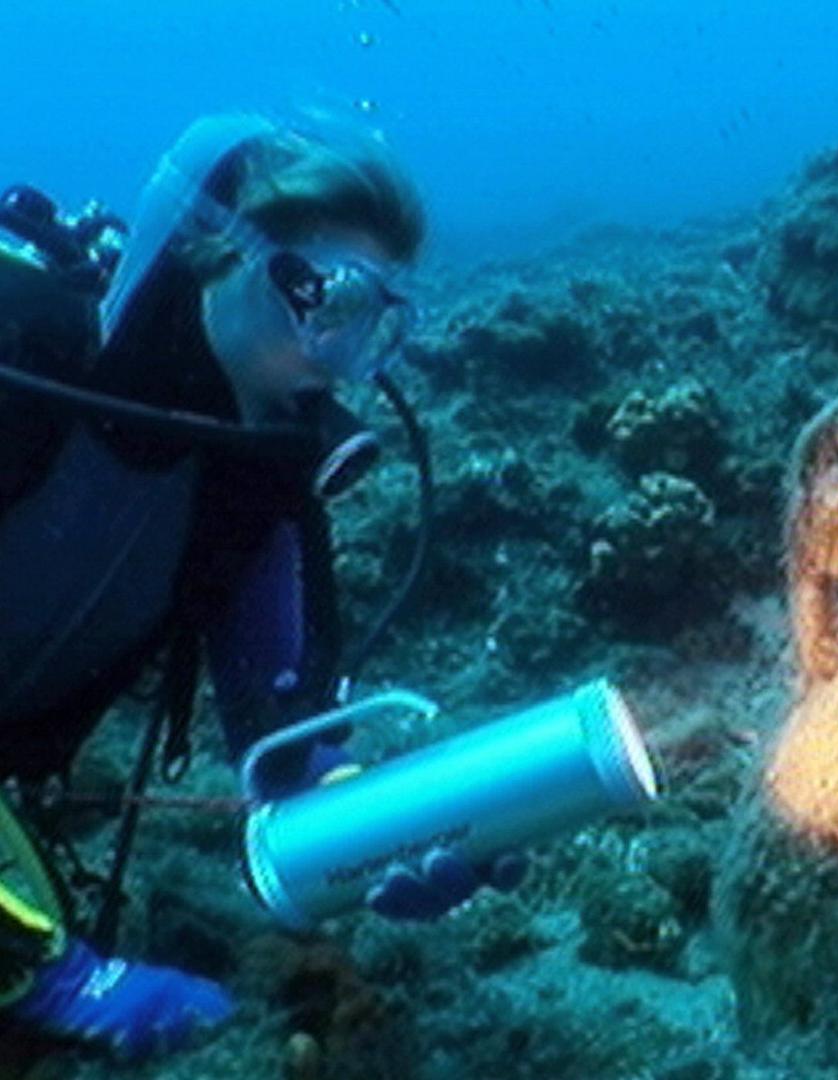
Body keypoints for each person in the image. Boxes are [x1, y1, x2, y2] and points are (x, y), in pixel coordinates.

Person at [0, 114, 519, 1061]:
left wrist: (380, 833)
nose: (341, 354)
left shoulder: (257, 497)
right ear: (215, 251)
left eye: (377, 323)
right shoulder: (24, 366)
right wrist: (38, 962)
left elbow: (285, 760)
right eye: (328, 297)